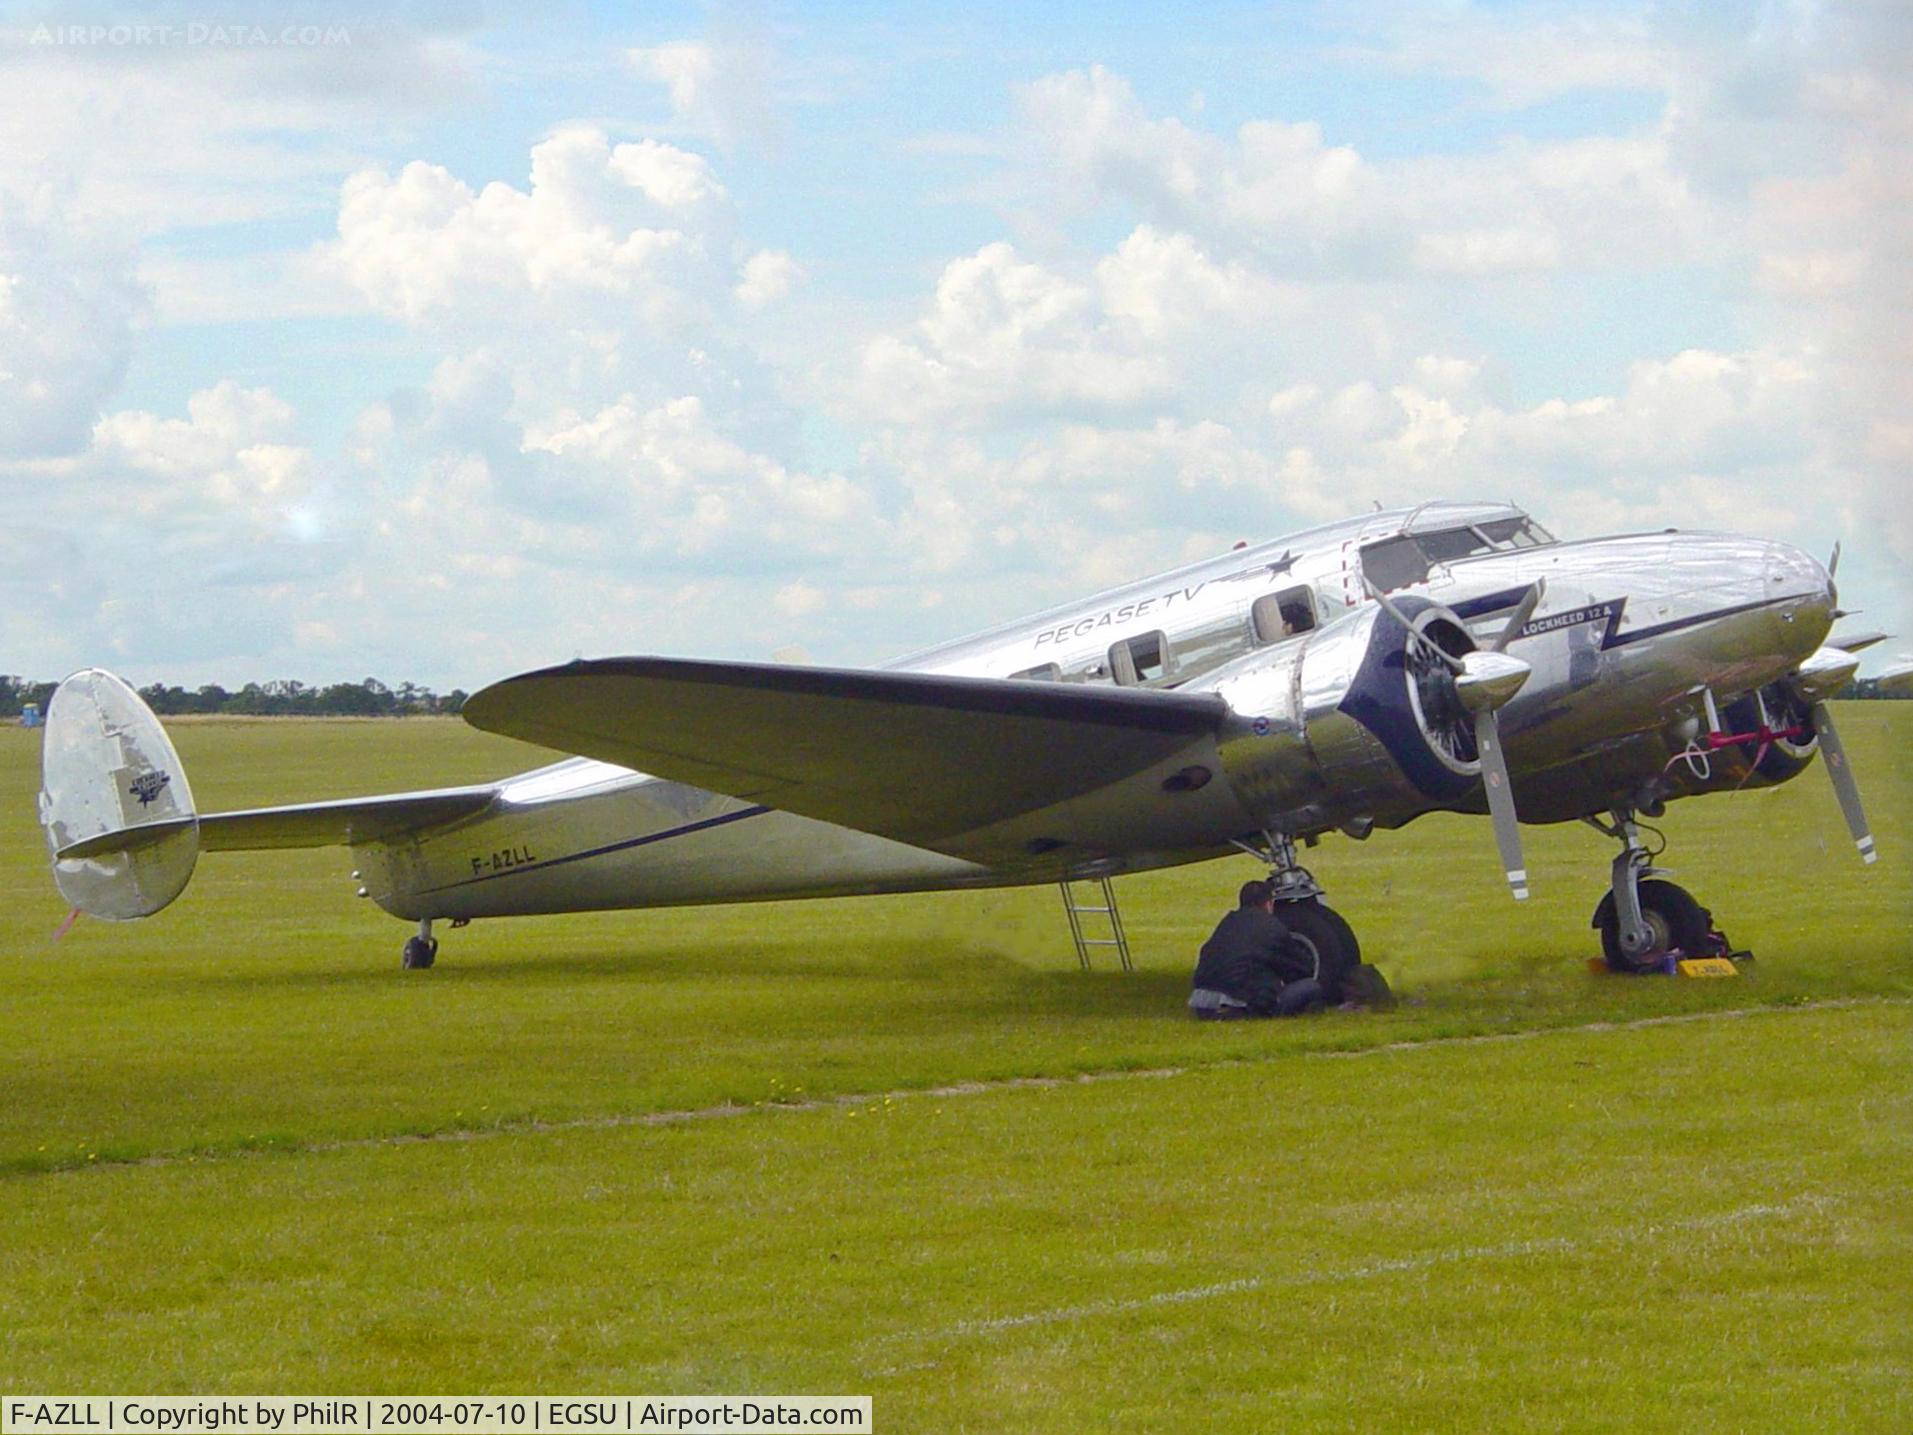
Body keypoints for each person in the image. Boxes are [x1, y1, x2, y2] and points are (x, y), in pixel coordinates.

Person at [1188, 879, 1326, 1019]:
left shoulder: (1227, 922)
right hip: (1240, 1007)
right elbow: (1301, 968)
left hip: (1202, 1006)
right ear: (1268, 904)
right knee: (1310, 987)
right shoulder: (1272, 927)